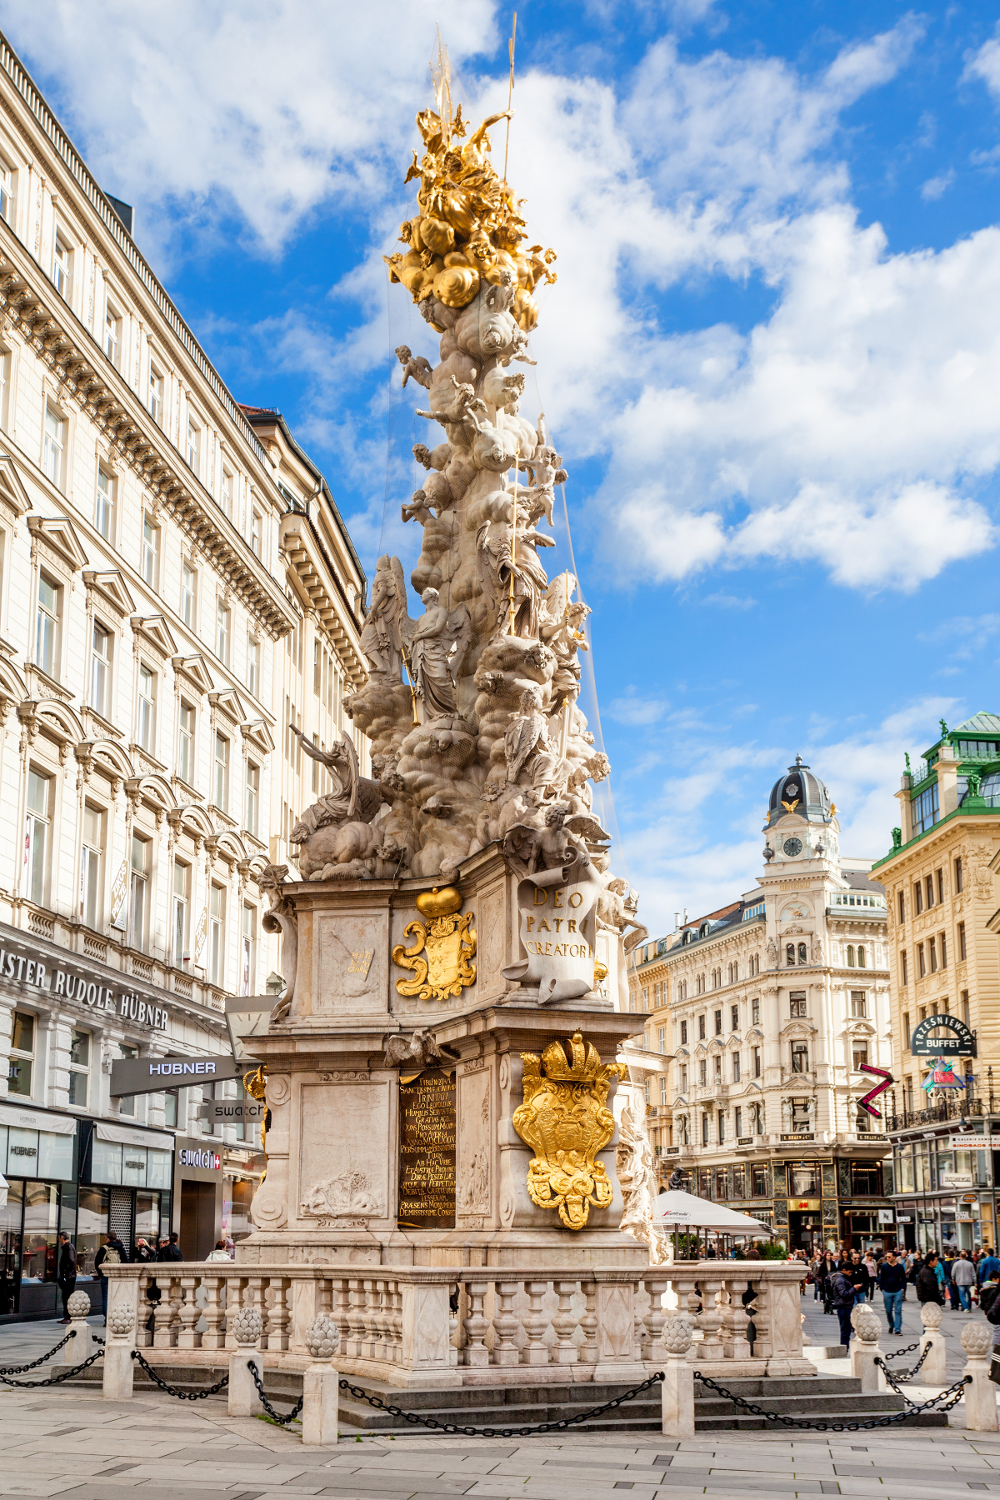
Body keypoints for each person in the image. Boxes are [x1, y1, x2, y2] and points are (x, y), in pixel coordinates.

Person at [93, 1231, 128, 1322]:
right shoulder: (120, 1248)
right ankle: (116, 1317)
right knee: (117, 1297)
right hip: (118, 1276)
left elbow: (97, 1262)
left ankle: (107, 1319)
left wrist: (101, 1274)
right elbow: (126, 1262)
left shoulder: (104, 1248)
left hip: (106, 1276)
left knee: (106, 1297)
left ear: (108, 1239)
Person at [830, 1262, 860, 1349]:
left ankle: (845, 1346)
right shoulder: (841, 1280)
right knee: (845, 1328)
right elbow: (844, 1294)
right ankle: (844, 1346)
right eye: (850, 1272)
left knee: (846, 1327)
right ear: (844, 1270)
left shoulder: (843, 1278)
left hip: (845, 1305)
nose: (851, 1274)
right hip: (843, 1305)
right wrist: (854, 1288)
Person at [877, 1249, 907, 1335]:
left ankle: (898, 1329)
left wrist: (902, 1288)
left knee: (898, 1310)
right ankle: (891, 1324)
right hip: (887, 1291)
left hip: (897, 1290)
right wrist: (882, 1288)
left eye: (889, 1257)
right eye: (886, 1257)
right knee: (888, 1311)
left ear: (894, 1257)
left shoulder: (900, 1266)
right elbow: (881, 1277)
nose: (887, 1258)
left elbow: (903, 1278)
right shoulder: (884, 1266)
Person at [56, 1232, 77, 1323]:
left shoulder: (68, 1247)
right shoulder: (68, 1247)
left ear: (62, 1238)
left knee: (67, 1296)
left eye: (59, 1238)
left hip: (69, 1276)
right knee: (66, 1296)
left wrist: (65, 1272)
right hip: (69, 1275)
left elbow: (71, 1260)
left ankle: (68, 1317)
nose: (58, 1240)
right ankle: (67, 1316)